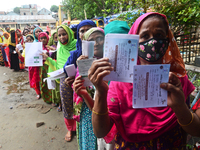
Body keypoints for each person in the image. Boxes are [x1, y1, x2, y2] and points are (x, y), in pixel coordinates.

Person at [88, 12, 198, 149]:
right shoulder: (119, 84)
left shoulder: (177, 80)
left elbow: (196, 130)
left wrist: (180, 107)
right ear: (134, 41)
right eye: (145, 36)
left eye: (159, 35)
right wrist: (100, 92)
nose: (153, 42)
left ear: (167, 39)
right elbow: (100, 131)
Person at [41, 24, 77, 142]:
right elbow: (58, 66)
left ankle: (80, 127)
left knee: (80, 104)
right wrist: (48, 58)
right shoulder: (60, 47)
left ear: (69, 34)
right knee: (66, 105)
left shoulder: (77, 44)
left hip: (78, 78)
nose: (61, 37)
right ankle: (70, 128)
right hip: (64, 80)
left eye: (64, 34)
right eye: (59, 35)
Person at [72, 27, 105, 150]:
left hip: (104, 108)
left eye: (100, 38)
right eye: (91, 40)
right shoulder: (83, 61)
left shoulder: (111, 62)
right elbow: (78, 86)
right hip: (87, 110)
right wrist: (79, 67)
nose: (96, 43)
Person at [38, 32, 52, 104]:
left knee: (51, 82)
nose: (43, 40)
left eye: (44, 38)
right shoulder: (37, 48)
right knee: (43, 82)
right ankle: (45, 98)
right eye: (41, 38)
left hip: (49, 66)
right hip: (42, 67)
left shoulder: (51, 47)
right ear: (39, 39)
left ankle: (52, 98)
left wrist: (49, 54)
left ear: (47, 38)